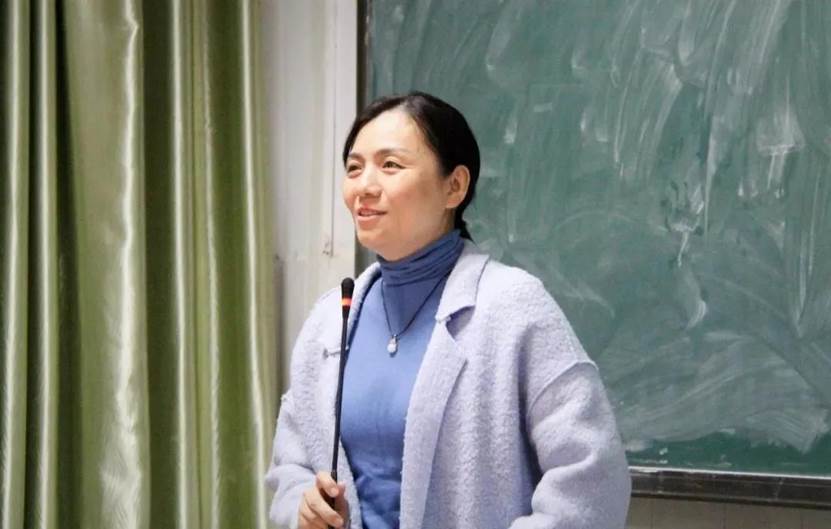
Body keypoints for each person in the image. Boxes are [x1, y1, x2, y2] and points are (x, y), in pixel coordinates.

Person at [265, 91, 631, 529]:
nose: (364, 186)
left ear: (454, 186)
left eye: (390, 165)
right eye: (354, 168)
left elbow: (593, 479)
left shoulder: (513, 307)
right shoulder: (331, 319)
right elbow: (291, 466)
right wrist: (302, 507)